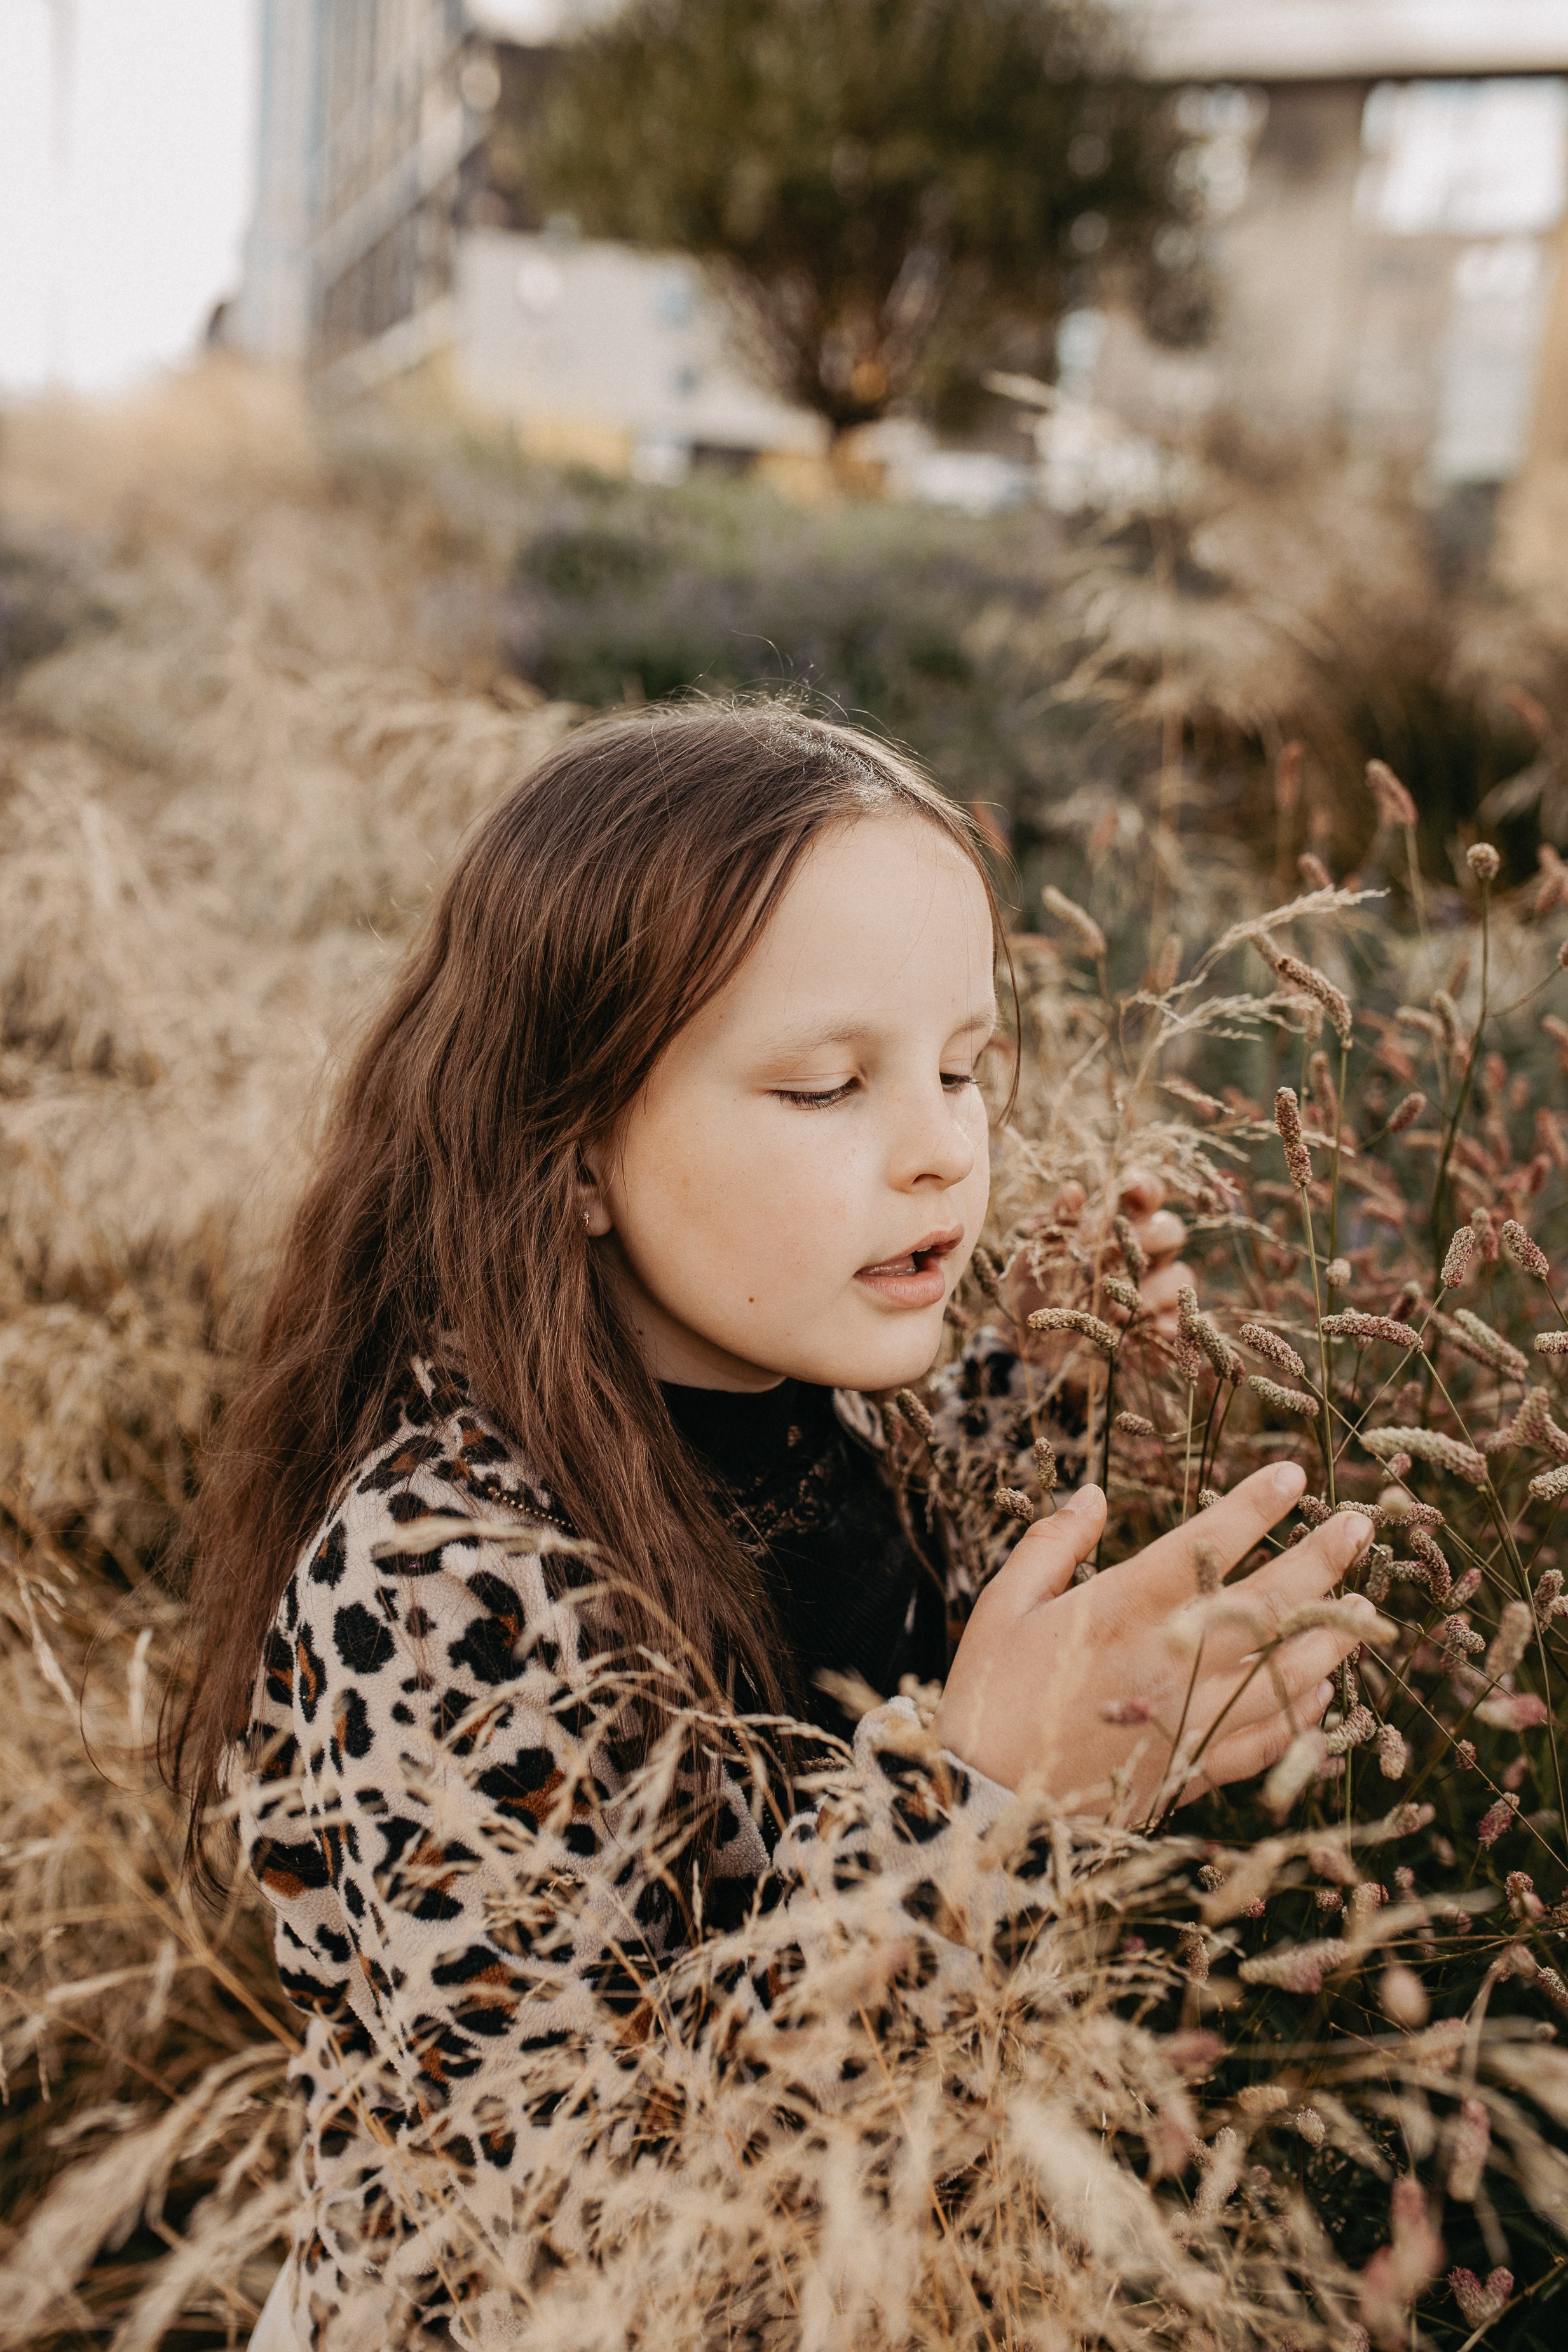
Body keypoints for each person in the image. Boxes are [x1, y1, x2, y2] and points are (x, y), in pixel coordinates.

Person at [174, 704, 1374, 2348]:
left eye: (964, 1069)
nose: (943, 1147)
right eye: (826, 1087)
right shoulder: (444, 1577)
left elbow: (845, 1559)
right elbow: (572, 2217)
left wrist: (1044, 1387)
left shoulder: (845, 1396)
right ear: (575, 1150)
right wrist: (981, 1812)